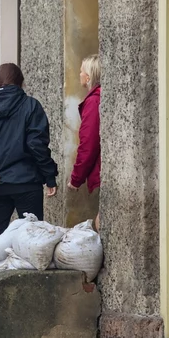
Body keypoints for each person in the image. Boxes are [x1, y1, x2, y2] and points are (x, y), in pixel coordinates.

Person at [0, 63, 59, 263]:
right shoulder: (31, 106)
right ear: (21, 83)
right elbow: (37, 145)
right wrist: (49, 176)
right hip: (27, 182)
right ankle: (33, 285)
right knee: (34, 239)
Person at [69, 54, 101, 231]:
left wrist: (76, 179)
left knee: (101, 222)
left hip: (100, 171)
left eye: (81, 71)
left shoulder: (94, 101)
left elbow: (88, 144)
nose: (79, 74)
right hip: (100, 169)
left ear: (88, 76)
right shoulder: (97, 99)